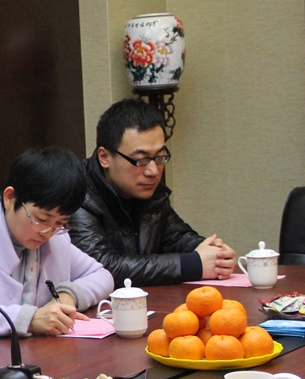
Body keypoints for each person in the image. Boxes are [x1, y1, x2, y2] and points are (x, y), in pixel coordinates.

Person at [0, 147, 114, 339]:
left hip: (43, 352)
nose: (48, 233)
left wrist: (67, 297)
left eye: (60, 223)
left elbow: (101, 276)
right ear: (9, 198)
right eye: (41, 219)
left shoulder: (57, 236)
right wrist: (28, 319)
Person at [69, 98, 236, 285]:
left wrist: (215, 254)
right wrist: (192, 264)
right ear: (105, 157)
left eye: (160, 157)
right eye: (141, 160)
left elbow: (177, 237)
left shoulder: (147, 190)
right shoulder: (75, 193)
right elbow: (102, 268)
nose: (153, 171)